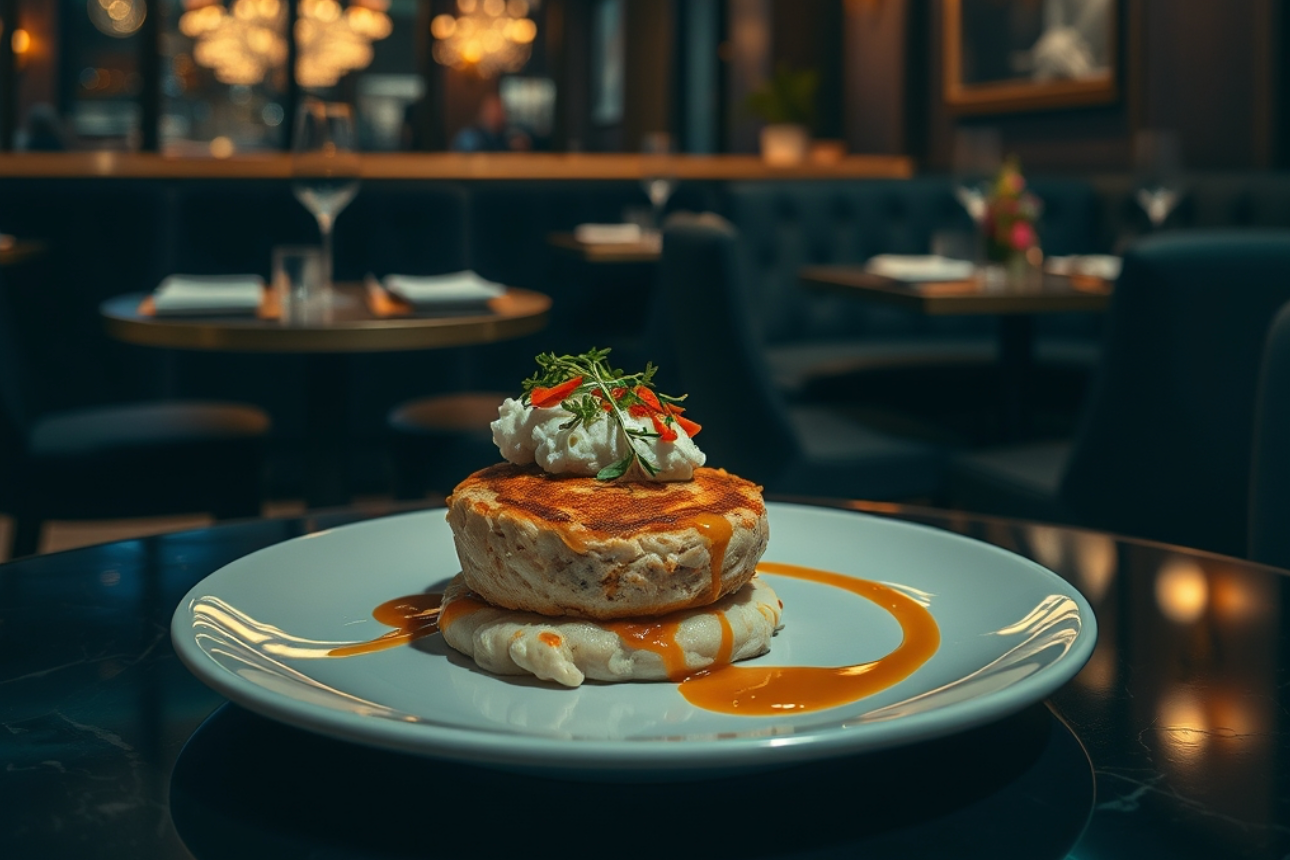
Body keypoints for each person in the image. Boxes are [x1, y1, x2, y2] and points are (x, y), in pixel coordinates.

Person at [451, 93, 530, 152]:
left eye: (501, 111)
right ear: (483, 113)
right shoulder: (468, 137)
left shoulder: (504, 136)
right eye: (494, 111)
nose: (499, 115)